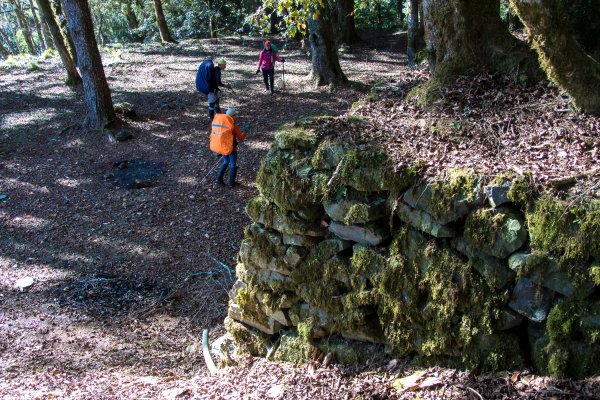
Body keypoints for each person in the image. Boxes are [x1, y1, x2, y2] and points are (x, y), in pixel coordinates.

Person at [210, 108, 248, 188]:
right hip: (232, 149)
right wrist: (246, 131)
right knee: (233, 165)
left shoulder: (222, 125)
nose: (236, 116)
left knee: (225, 161)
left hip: (223, 148)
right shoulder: (233, 126)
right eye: (235, 115)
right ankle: (231, 183)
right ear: (232, 116)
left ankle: (219, 179)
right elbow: (241, 138)